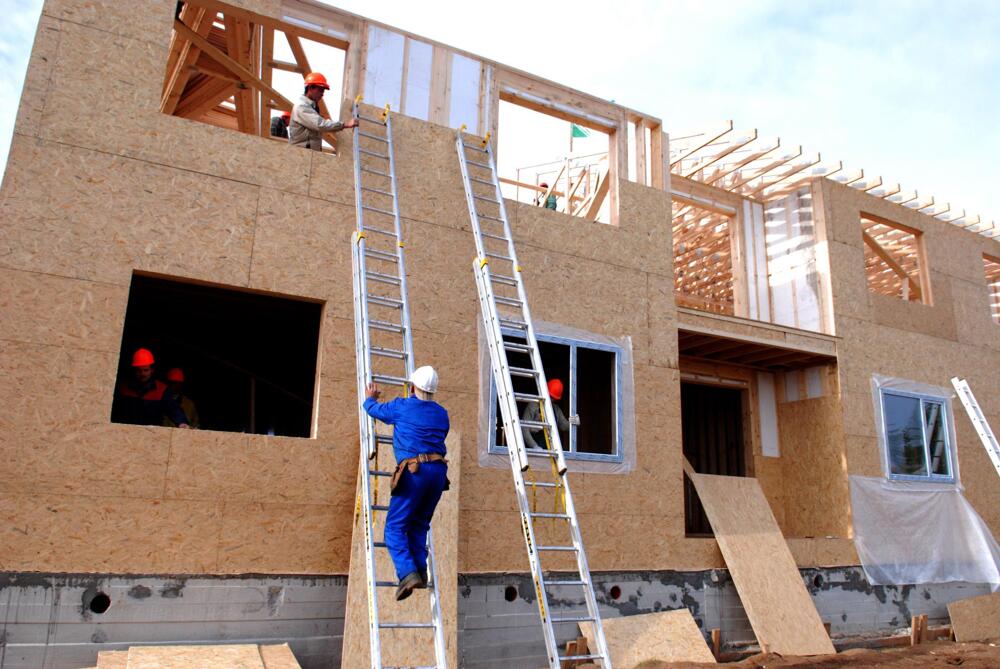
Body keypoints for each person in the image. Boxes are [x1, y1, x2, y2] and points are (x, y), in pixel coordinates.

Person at [363, 365, 449, 601]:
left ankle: (407, 574)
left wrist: (370, 398)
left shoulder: (402, 406)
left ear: (412, 387)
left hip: (415, 472)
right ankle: (420, 571)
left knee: (394, 527)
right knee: (419, 524)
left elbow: (373, 410)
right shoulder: (442, 413)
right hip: (438, 473)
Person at [114, 349, 190, 428]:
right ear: (134, 371)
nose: (142, 374)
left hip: (152, 435)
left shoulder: (162, 390)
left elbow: (173, 409)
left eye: (146, 370)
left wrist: (181, 422)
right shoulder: (123, 388)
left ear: (152, 370)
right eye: (139, 370)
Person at [288, 72, 358, 151]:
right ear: (310, 88)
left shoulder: (312, 107)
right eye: (320, 90)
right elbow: (320, 125)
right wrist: (345, 124)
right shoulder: (302, 107)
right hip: (300, 154)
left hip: (307, 154)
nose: (322, 94)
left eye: (323, 91)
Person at [522, 378, 579, 449]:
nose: (551, 400)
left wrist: (573, 423)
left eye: (553, 398)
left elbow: (563, 425)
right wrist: (534, 446)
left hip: (551, 450)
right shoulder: (533, 406)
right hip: (533, 452)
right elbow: (524, 429)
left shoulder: (556, 409)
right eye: (550, 397)